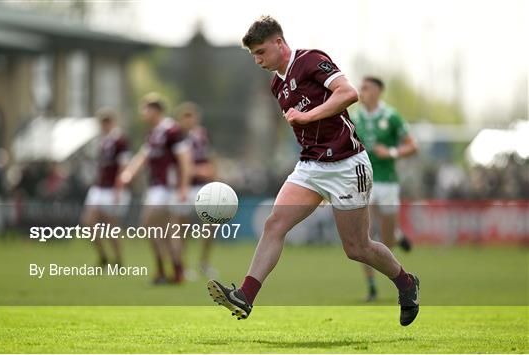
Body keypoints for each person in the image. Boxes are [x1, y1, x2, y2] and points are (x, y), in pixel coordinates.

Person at [207, 16, 420, 326]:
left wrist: (308, 117)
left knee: (357, 248)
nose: (257, 60)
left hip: (348, 164)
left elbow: (348, 94)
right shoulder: (276, 84)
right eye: (253, 54)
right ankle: (245, 296)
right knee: (274, 224)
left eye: (261, 52)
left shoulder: (311, 60)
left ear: (279, 43)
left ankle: (406, 283)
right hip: (310, 167)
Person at [353, 76, 418, 301]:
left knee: (386, 240)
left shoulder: (391, 116)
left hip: (388, 182)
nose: (361, 92)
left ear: (378, 92)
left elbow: (412, 146)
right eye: (360, 88)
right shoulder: (355, 118)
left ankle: (396, 237)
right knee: (364, 236)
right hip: (364, 182)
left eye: (366, 88)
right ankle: (371, 288)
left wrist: (391, 152)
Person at [117, 93, 193, 284]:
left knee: (150, 224)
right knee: (162, 231)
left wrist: (184, 186)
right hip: (156, 187)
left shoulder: (171, 131)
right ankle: (173, 269)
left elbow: (185, 159)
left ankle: (168, 269)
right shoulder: (153, 133)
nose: (143, 113)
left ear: (156, 110)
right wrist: (127, 175)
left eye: (146, 109)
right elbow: (142, 157)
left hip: (169, 188)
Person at [171, 101, 219, 279]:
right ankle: (181, 266)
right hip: (184, 187)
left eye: (192, 116)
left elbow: (211, 157)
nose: (189, 120)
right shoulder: (176, 136)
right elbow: (180, 164)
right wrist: (200, 170)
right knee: (181, 228)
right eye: (186, 116)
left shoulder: (202, 135)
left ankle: (204, 262)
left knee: (211, 224)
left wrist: (214, 177)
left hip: (202, 187)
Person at [81, 109, 130, 267]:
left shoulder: (119, 140)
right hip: (99, 188)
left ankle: (118, 260)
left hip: (111, 189)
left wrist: (118, 188)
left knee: (112, 227)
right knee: (88, 222)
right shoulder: (103, 141)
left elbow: (123, 165)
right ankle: (103, 256)